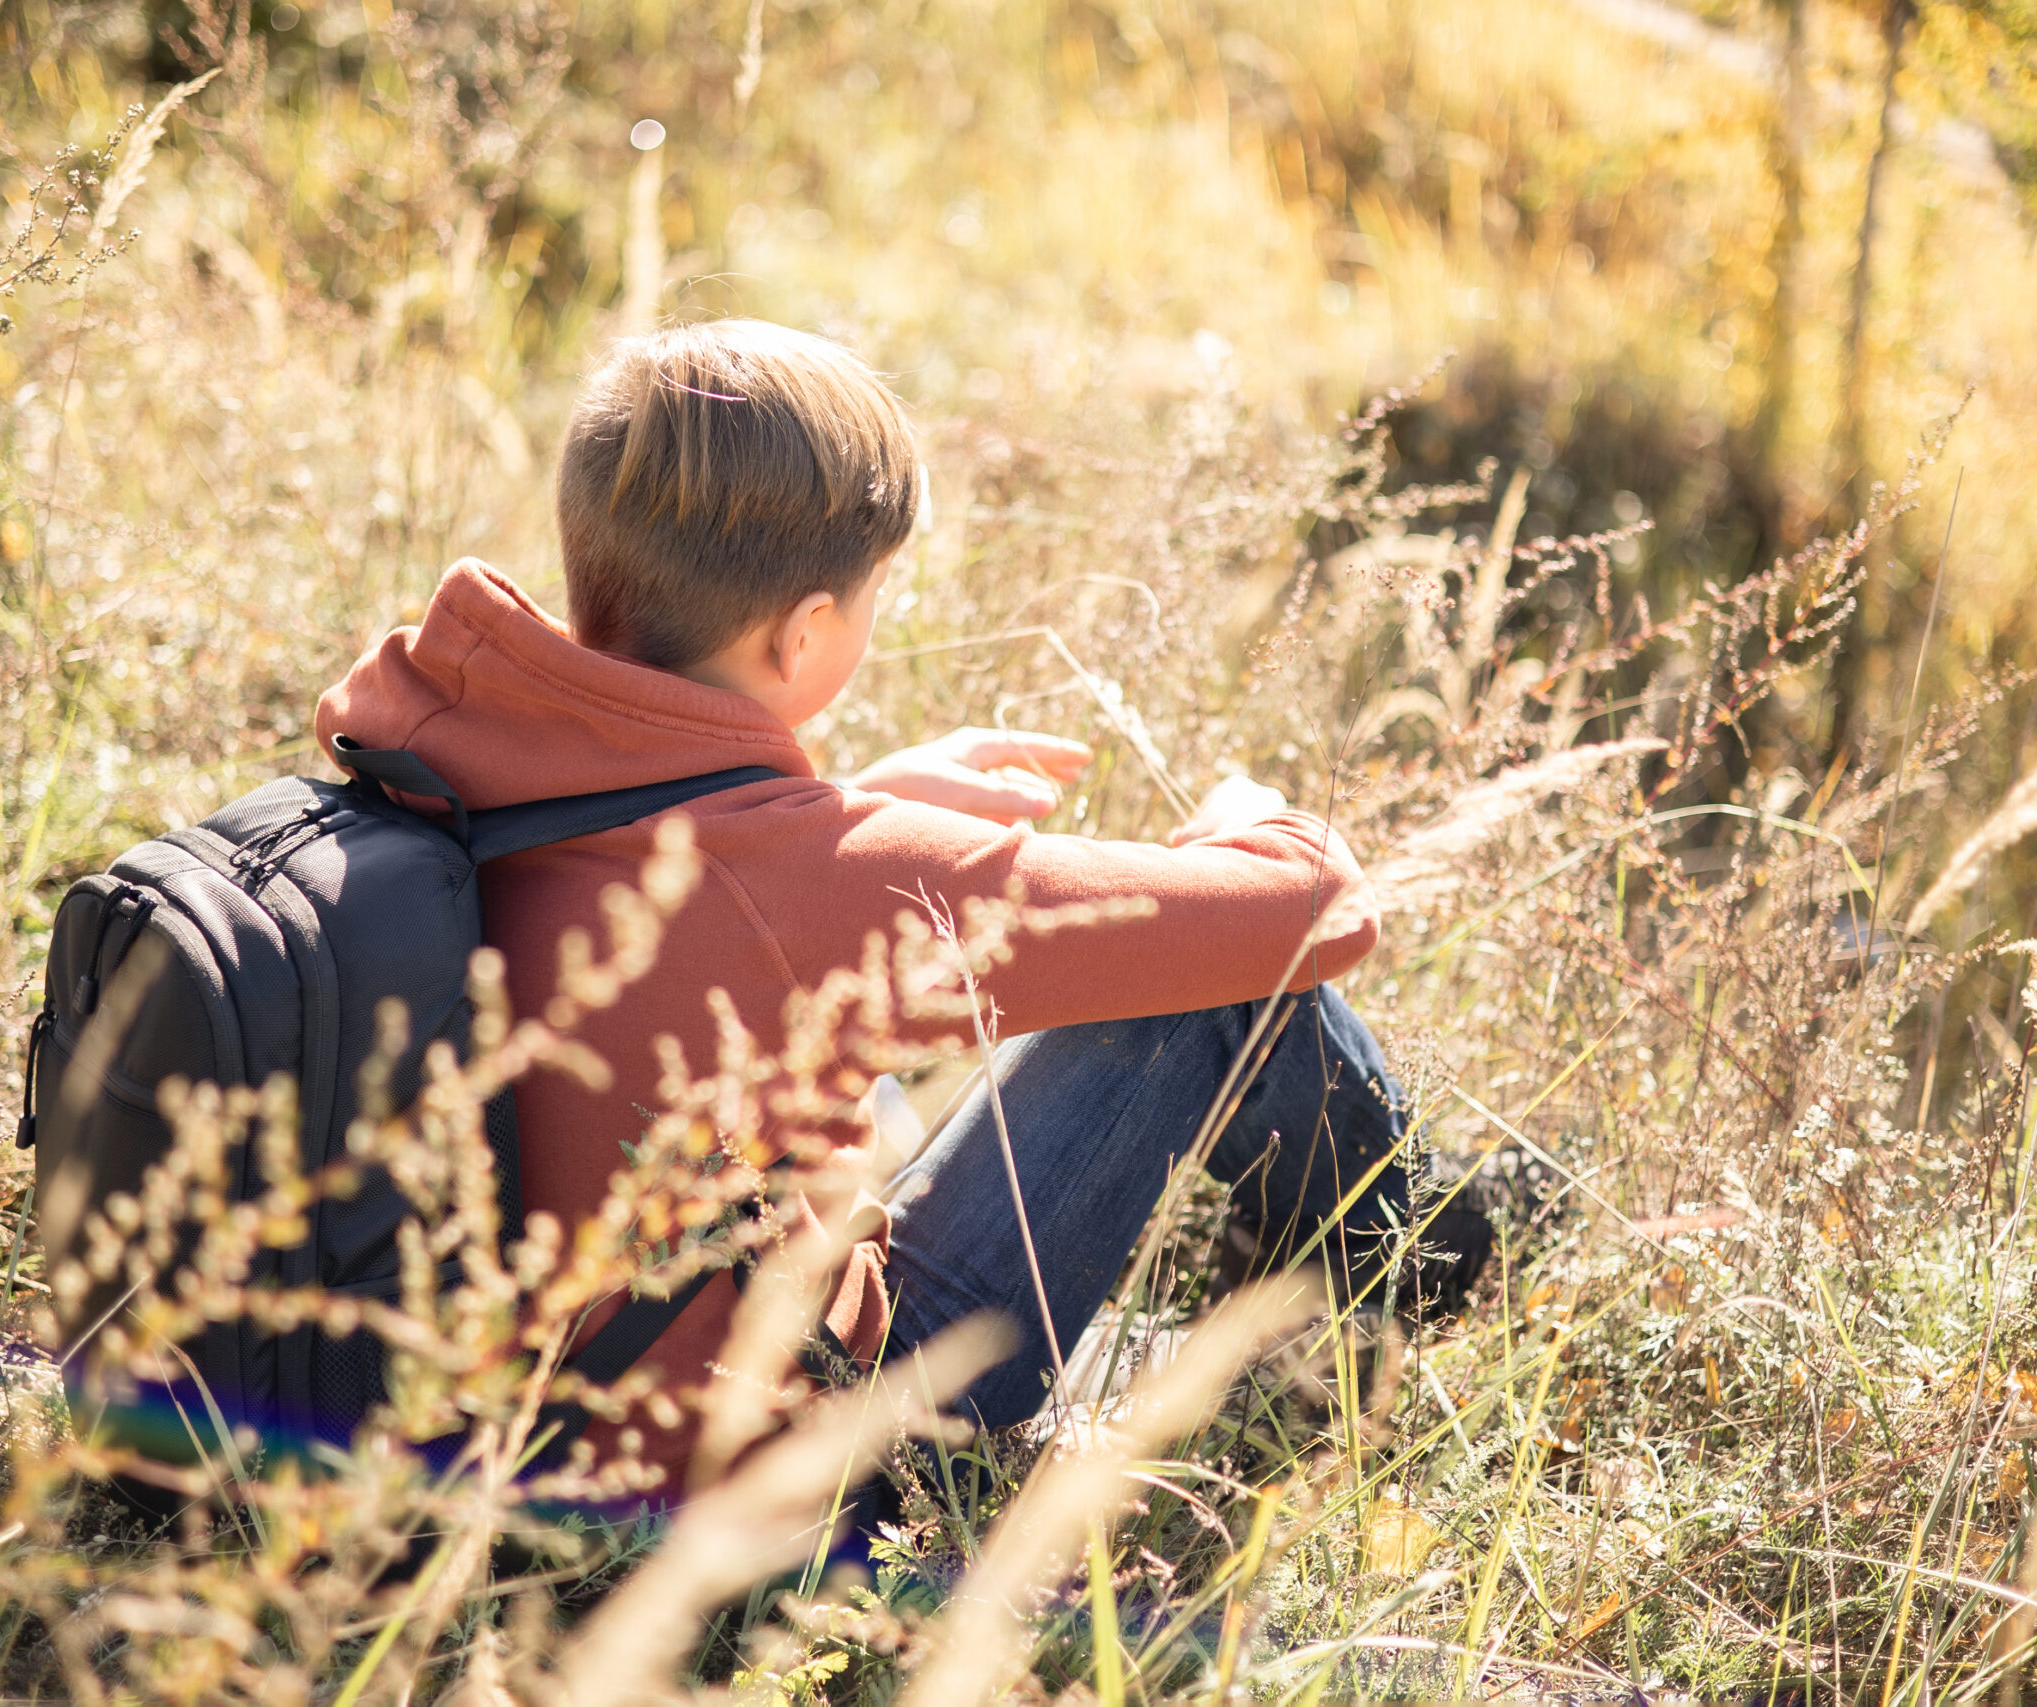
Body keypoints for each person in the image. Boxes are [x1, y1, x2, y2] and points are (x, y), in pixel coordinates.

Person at [313, 319, 1491, 1499]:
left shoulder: (456, 748)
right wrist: (1262, 822)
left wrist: (855, 800)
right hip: (789, 1467)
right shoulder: (825, 882)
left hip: (511, 1412)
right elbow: (1315, 912)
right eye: (874, 595)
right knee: (1219, 1006)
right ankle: (1443, 1264)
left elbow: (690, 903)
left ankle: (1332, 1286)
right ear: (807, 630)